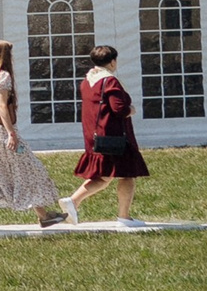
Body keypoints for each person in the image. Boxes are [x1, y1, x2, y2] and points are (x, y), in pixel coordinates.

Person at [0, 39, 64, 228]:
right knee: (29, 169)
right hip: (2, 131)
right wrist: (11, 133)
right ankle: (43, 215)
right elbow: (2, 106)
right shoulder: (3, 76)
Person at [63, 43, 150, 226]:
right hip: (115, 136)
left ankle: (73, 201)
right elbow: (118, 108)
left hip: (95, 135)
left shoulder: (87, 81)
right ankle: (124, 217)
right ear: (112, 62)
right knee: (127, 174)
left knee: (104, 176)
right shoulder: (109, 81)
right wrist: (130, 110)